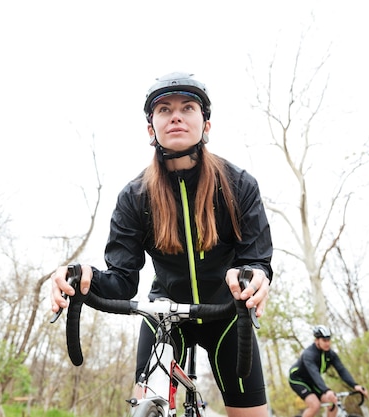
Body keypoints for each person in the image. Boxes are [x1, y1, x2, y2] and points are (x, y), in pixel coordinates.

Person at [51, 72, 274, 417]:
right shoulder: (134, 196)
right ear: (151, 129)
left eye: (188, 107)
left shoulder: (239, 185)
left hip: (227, 316)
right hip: (165, 316)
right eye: (164, 109)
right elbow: (121, 280)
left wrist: (255, 275)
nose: (176, 115)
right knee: (144, 407)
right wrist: (80, 276)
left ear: (207, 125)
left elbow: (255, 260)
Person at [288, 325, 369, 417]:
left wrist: (355, 385)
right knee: (315, 405)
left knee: (332, 402)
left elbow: (341, 370)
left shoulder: (331, 354)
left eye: (328, 340)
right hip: (297, 379)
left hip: (312, 380)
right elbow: (314, 373)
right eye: (324, 340)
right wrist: (326, 390)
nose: (327, 343)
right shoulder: (309, 354)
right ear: (317, 340)